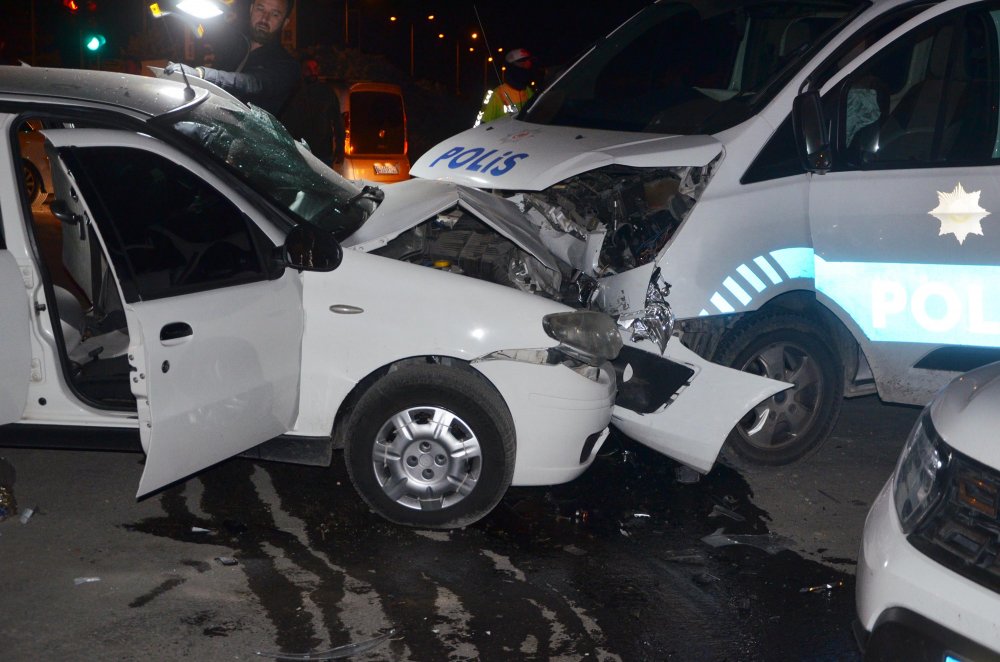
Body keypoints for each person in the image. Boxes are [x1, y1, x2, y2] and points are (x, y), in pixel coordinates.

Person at [165, 0, 300, 116]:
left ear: (285, 22)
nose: (264, 19)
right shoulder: (232, 43)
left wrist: (201, 73)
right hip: (202, 121)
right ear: (252, 8)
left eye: (275, 14)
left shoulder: (287, 65)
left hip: (243, 142)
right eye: (260, 8)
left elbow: (251, 82)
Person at [281, 57, 345, 167]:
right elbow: (286, 121)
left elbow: (337, 121)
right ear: (302, 70)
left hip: (323, 153)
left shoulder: (327, 92)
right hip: (300, 152)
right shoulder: (294, 92)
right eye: (308, 69)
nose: (312, 72)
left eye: (315, 68)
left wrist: (340, 146)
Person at [474, 48, 536, 127]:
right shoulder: (495, 95)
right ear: (512, 68)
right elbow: (481, 127)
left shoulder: (529, 91)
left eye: (529, 63)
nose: (527, 66)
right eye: (522, 63)